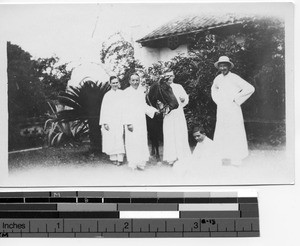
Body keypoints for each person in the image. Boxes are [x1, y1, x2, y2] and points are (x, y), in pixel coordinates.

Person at [211, 56, 255, 166]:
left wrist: (236, 99)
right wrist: (218, 101)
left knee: (235, 132)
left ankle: (236, 158)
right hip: (221, 109)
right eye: (221, 66)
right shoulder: (218, 79)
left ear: (229, 66)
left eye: (225, 65)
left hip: (233, 109)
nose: (222, 68)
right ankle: (223, 157)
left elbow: (250, 88)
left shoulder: (235, 77)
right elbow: (213, 90)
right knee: (222, 132)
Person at [122, 73, 159, 170]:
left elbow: (144, 106)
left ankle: (141, 163)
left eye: (137, 80)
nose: (135, 82)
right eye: (133, 80)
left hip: (141, 121)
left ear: (139, 81)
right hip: (131, 122)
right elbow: (124, 109)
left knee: (141, 141)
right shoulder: (126, 92)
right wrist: (128, 122)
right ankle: (133, 163)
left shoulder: (141, 91)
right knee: (132, 141)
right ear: (129, 81)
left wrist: (154, 111)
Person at [162, 70, 191, 165]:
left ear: (174, 76)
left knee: (180, 133)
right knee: (170, 134)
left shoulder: (178, 87)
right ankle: (171, 158)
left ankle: (182, 156)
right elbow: (159, 102)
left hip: (178, 113)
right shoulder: (162, 88)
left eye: (171, 76)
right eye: (167, 76)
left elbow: (186, 99)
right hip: (168, 114)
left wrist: (184, 99)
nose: (169, 78)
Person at [99, 76, 125, 165]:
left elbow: (126, 107)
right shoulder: (107, 95)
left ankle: (120, 158)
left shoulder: (122, 93)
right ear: (110, 84)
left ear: (118, 83)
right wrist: (104, 122)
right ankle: (113, 157)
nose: (115, 84)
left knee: (119, 137)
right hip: (110, 120)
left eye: (116, 82)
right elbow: (104, 109)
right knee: (111, 138)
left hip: (120, 119)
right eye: (113, 83)